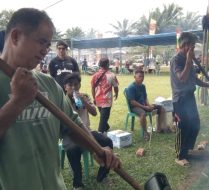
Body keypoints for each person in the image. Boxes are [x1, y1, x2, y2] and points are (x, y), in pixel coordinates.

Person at [0, 8, 121, 190]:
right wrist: (17, 102)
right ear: (16, 37)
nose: (45, 50)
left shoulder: (47, 83)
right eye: (41, 42)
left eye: (48, 44)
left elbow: (72, 125)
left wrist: (96, 147)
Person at [63, 72, 113, 189]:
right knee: (72, 150)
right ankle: (77, 184)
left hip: (87, 132)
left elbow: (95, 113)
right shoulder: (62, 100)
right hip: (71, 135)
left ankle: (103, 173)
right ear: (65, 87)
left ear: (79, 85)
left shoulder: (84, 96)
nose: (73, 87)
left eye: (76, 84)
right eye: (70, 85)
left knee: (107, 142)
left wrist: (84, 101)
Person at [170, 32, 209, 166]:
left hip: (189, 97)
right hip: (180, 99)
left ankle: (187, 150)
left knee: (195, 125)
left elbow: (194, 79)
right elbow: (181, 78)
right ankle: (179, 156)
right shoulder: (176, 60)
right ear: (185, 46)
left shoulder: (190, 59)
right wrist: (189, 60)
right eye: (192, 46)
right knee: (183, 127)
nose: (193, 49)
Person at [126, 69, 166, 141]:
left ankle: (159, 128)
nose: (142, 78)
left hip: (143, 105)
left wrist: (149, 105)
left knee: (161, 108)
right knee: (143, 113)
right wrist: (145, 107)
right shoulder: (131, 87)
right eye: (140, 76)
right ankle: (145, 132)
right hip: (135, 107)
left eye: (143, 76)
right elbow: (132, 102)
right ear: (134, 77)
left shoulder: (143, 86)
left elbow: (145, 98)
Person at [91, 57, 119, 134]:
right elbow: (116, 87)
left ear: (99, 64)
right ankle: (100, 133)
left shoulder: (95, 75)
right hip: (107, 100)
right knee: (104, 117)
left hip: (98, 99)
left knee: (103, 116)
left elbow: (93, 88)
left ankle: (106, 127)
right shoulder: (112, 75)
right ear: (108, 64)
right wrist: (116, 94)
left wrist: (94, 98)